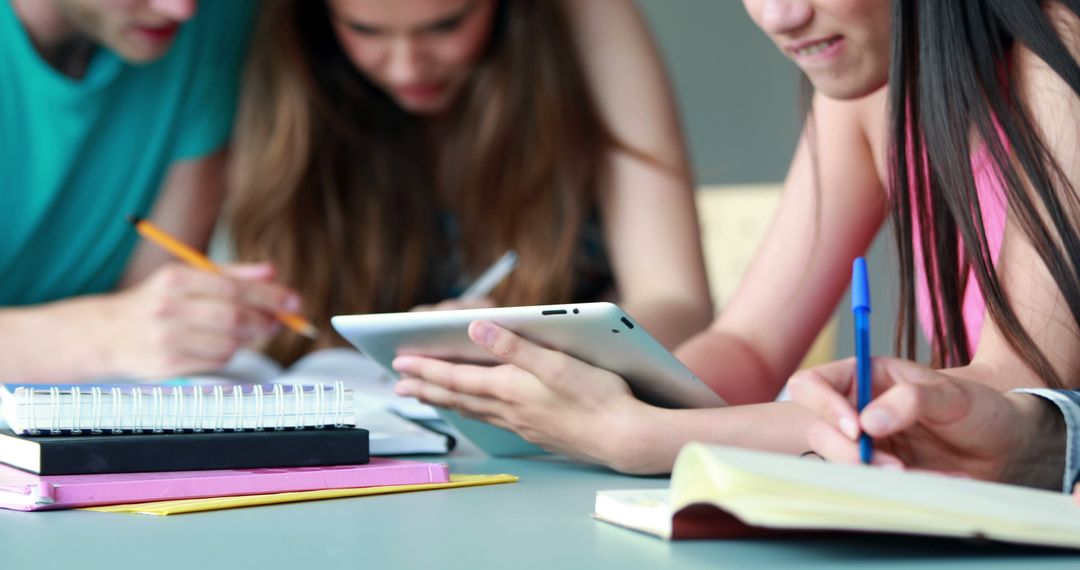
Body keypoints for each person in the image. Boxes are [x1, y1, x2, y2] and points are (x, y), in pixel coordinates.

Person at [393, 0, 1080, 483]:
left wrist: (641, 434)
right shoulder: (865, 95)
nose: (777, 15)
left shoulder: (1057, 54)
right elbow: (748, 344)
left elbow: (1011, 406)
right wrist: (591, 386)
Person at [224, 0, 713, 367]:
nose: (406, 66)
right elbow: (280, 343)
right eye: (364, 29)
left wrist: (530, 352)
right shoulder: (289, 78)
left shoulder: (582, 16)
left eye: (445, 24)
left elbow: (679, 305)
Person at [0, 0, 305, 383]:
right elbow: (136, 335)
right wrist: (105, 333)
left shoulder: (217, 18)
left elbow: (153, 317)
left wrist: (176, 323)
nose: (181, 9)